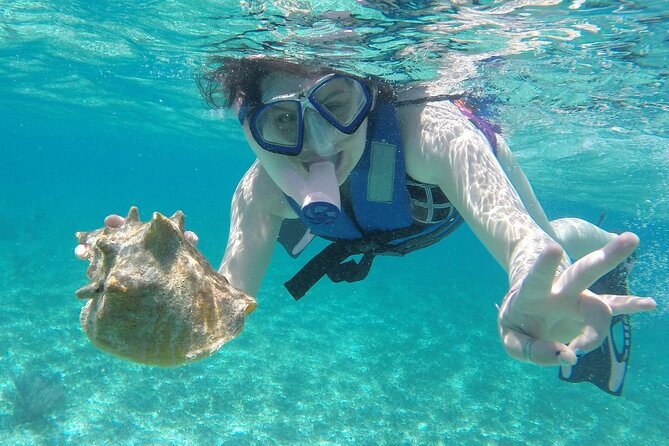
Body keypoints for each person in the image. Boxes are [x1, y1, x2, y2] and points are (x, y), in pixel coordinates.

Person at [76, 55, 656, 393]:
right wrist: (158, 290)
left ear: (370, 96)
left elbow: (521, 241)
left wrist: (530, 275)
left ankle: (611, 250)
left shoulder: (428, 131)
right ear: (250, 130)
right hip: (395, 224)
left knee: (554, 243)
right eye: (283, 121)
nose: (321, 145)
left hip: (450, 202)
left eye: (337, 102)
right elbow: (223, 310)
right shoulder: (259, 192)